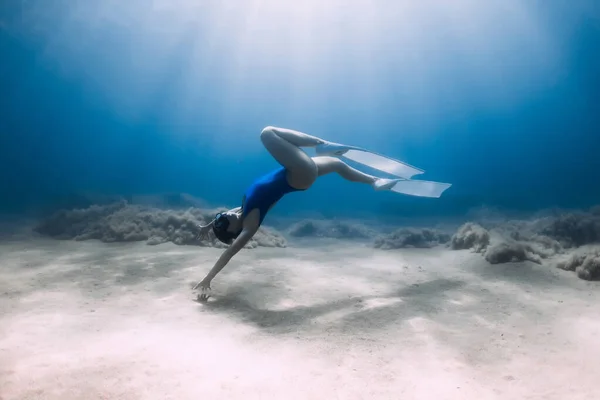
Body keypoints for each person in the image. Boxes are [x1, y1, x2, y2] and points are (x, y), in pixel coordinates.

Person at [193, 126, 451, 300]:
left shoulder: (241, 209)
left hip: (299, 173)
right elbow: (228, 253)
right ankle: (322, 144)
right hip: (298, 175)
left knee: (338, 164)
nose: (222, 215)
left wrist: (207, 227)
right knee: (267, 133)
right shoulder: (250, 222)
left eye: (219, 217)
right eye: (221, 221)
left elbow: (223, 219)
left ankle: (374, 181)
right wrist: (208, 279)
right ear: (234, 229)